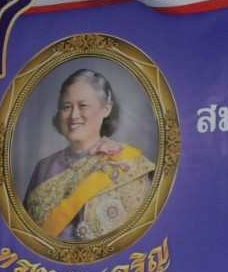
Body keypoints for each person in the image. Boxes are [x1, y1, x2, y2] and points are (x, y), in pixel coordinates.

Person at [23, 67, 158, 243]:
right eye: (66, 107)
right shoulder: (43, 167)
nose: (74, 115)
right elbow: (25, 239)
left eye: (83, 105)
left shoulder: (131, 165)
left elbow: (148, 237)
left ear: (106, 109)